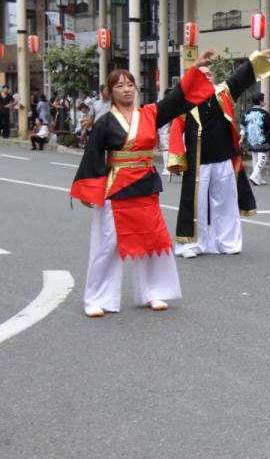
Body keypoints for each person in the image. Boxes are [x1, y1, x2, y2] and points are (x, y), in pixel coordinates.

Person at [70, 58, 218, 317]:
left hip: (145, 186)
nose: (126, 89)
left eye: (130, 84)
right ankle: (97, 298)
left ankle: (155, 291)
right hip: (116, 188)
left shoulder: (149, 114)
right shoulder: (104, 122)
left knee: (153, 240)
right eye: (119, 86)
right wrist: (90, 191)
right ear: (110, 92)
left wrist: (194, 71)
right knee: (109, 244)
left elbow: (175, 100)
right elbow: (93, 156)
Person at [169, 50, 270, 258]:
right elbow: (176, 129)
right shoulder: (185, 101)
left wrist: (256, 59)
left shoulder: (223, 93)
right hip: (198, 160)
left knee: (226, 202)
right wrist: (177, 158)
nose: (207, 76)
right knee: (196, 205)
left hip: (224, 158)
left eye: (209, 74)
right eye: (202, 74)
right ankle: (192, 245)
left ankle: (227, 242)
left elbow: (240, 78)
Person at [241, 93, 270, 186]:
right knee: (263, 158)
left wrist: (242, 138)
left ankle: (258, 178)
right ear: (260, 102)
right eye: (263, 100)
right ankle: (254, 176)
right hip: (262, 139)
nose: (264, 101)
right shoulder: (264, 113)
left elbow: (243, 127)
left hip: (252, 139)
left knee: (255, 157)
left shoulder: (248, 112)